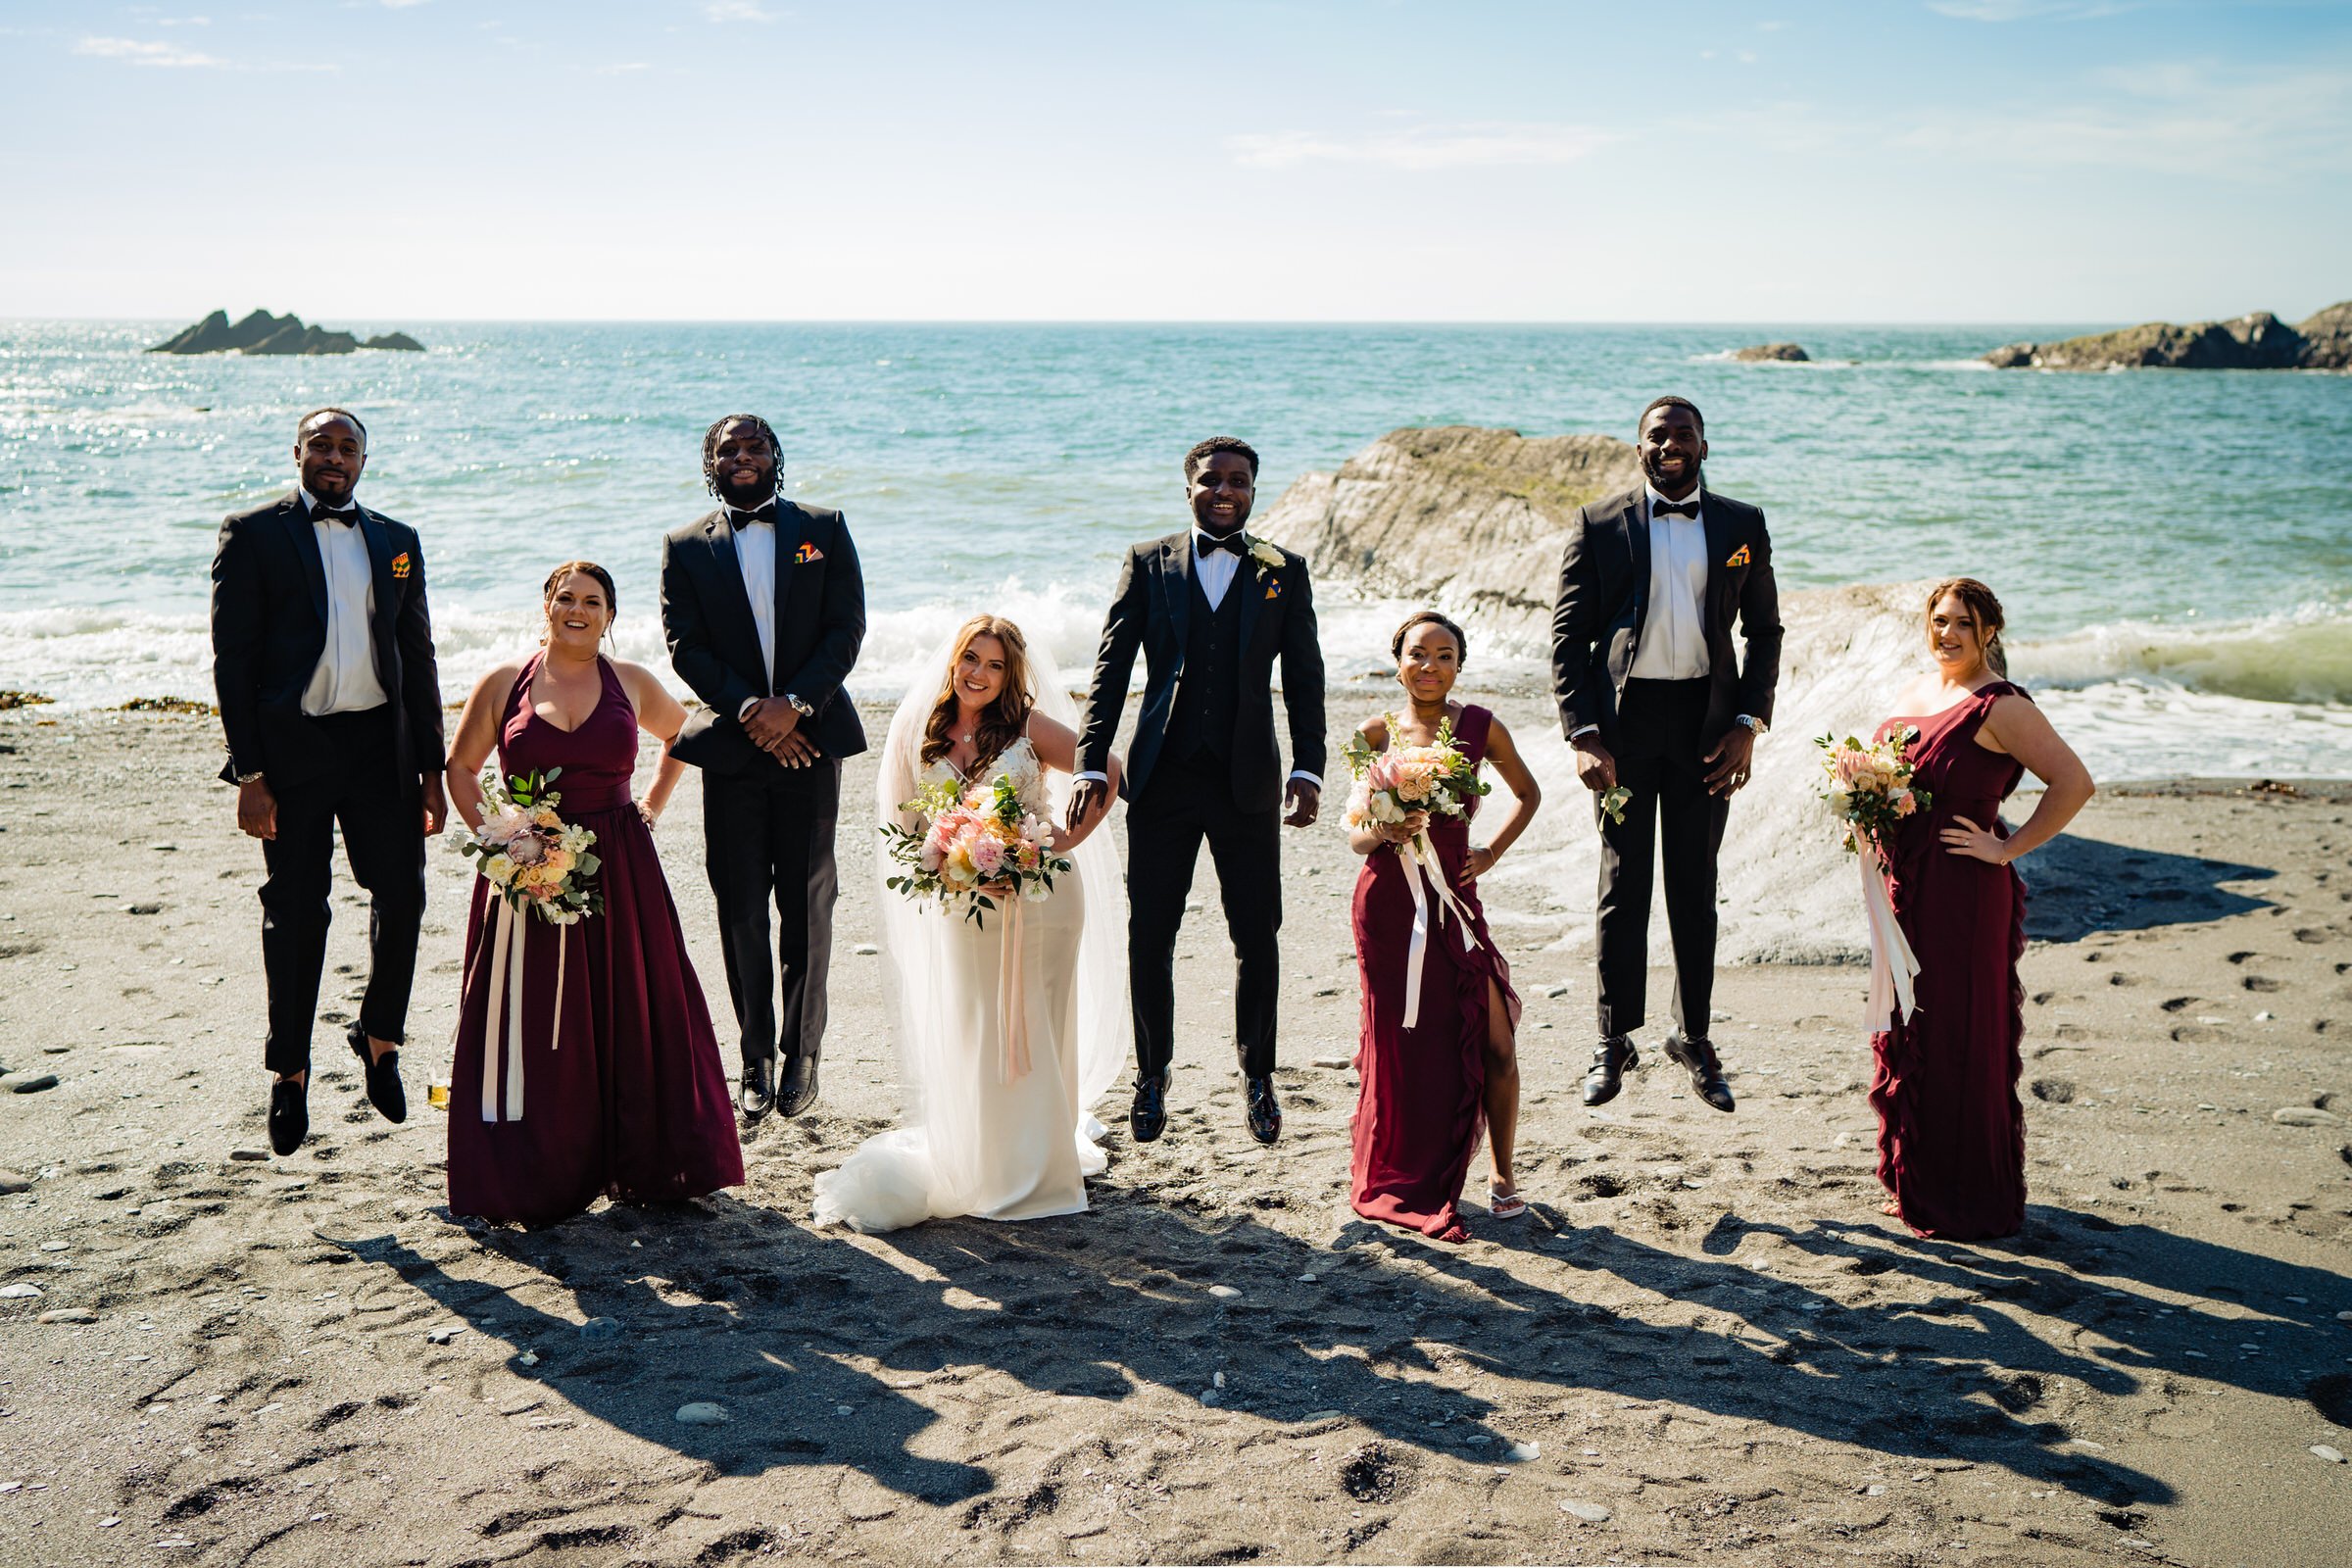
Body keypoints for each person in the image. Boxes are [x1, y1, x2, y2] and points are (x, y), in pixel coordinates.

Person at [441, 563, 743, 1225]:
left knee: (635, 1003)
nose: (578, 610)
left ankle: (650, 1161)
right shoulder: (501, 683)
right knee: (535, 1016)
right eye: (566, 598)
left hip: (621, 865)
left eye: (593, 601)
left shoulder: (631, 682)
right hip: (528, 865)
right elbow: (460, 770)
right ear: (546, 605)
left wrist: (652, 807)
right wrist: (502, 838)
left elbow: (684, 735)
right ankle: (537, 1167)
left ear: (611, 615)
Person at [811, 615, 1129, 1232]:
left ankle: (1041, 1162)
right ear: (952, 662)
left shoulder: (1026, 727)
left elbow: (1108, 767)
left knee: (1040, 1020)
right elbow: (905, 824)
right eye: (970, 660)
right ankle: (988, 1157)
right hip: (966, 904)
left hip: (1043, 899)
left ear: (1010, 674)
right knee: (977, 1023)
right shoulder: (920, 731)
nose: (979, 675)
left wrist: (1060, 841)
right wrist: (942, 865)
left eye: (994, 665)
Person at [1072, 436, 1327, 1146]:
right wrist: (1092, 762)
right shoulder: (1148, 562)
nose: (1224, 490)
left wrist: (1309, 768)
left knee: (1258, 935)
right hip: (1163, 778)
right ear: (1187, 486)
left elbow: (1305, 676)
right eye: (1211, 479)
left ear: (1253, 490)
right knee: (1150, 931)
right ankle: (1153, 1074)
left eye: (1238, 481)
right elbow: (1111, 668)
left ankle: (1259, 1076)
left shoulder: (1284, 569)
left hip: (1247, 780)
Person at [210, 407, 447, 1156]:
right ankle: (290, 1071)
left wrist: (432, 770)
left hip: (382, 747)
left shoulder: (397, 541)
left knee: (403, 895)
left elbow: (420, 657)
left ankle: (379, 1037)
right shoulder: (252, 533)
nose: (335, 457)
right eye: (323, 445)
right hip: (294, 750)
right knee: (295, 912)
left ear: (364, 461)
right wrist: (249, 771)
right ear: (298, 453)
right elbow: (233, 660)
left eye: (348, 448)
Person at [1550, 396, 1781, 1116]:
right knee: (1623, 885)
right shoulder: (1598, 523)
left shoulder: (1743, 524)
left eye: (1684, 434)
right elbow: (1567, 640)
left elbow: (1764, 632)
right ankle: (1613, 1038)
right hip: (1625, 727)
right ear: (1639, 447)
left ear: (1705, 447)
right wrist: (1583, 734)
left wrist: (1747, 720)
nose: (1672, 444)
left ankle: (1694, 1037)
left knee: (1694, 885)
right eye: (1659, 435)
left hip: (1707, 727)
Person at [1869, 579, 2092, 1242]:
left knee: (1958, 1034)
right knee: (1908, 1028)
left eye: (1963, 623)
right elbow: (1898, 780)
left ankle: (1962, 1193)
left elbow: (2074, 782)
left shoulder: (2003, 705)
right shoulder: (1917, 691)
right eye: (1939, 621)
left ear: (1989, 630)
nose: (1947, 634)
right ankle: (1915, 1177)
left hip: (1963, 894)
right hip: (1903, 888)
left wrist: (2007, 848)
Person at [660, 415, 866, 1123]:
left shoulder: (825, 527)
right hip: (735, 749)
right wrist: (756, 711)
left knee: (807, 906)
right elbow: (684, 646)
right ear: (708, 463)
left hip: (814, 742)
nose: (742, 457)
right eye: (728, 449)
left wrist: (798, 706)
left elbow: (847, 630)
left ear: (777, 456)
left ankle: (802, 1051)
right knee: (740, 906)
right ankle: (754, 1056)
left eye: (754, 447)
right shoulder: (686, 546)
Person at [1344, 612, 1540, 1243]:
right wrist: (1385, 828)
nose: (1430, 665)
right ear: (1396, 660)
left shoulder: (1480, 725)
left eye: (1444, 655)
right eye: (1417, 654)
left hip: (1456, 900)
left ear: (1460, 664)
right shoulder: (1373, 734)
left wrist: (1491, 853)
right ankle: (1403, 1168)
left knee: (1496, 1038)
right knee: (1403, 1044)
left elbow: (1527, 794)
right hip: (1389, 905)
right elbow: (1353, 834)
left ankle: (1504, 1178)